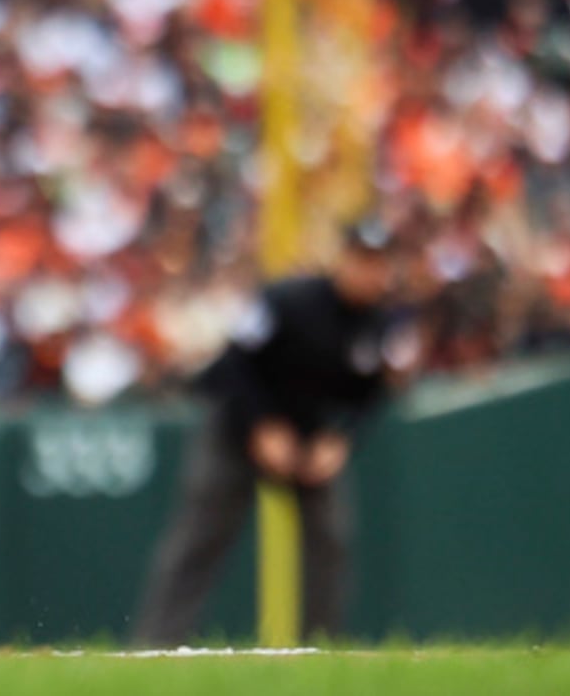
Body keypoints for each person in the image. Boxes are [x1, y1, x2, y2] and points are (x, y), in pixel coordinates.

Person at [134, 220, 400, 646]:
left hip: (309, 443)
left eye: (379, 264)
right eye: (362, 260)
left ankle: (320, 651)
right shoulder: (288, 300)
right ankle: (156, 647)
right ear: (343, 259)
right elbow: (232, 363)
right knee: (199, 541)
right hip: (238, 434)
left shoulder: (381, 324)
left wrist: (340, 438)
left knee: (331, 542)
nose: (369, 272)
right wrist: (261, 425)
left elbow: (373, 393)